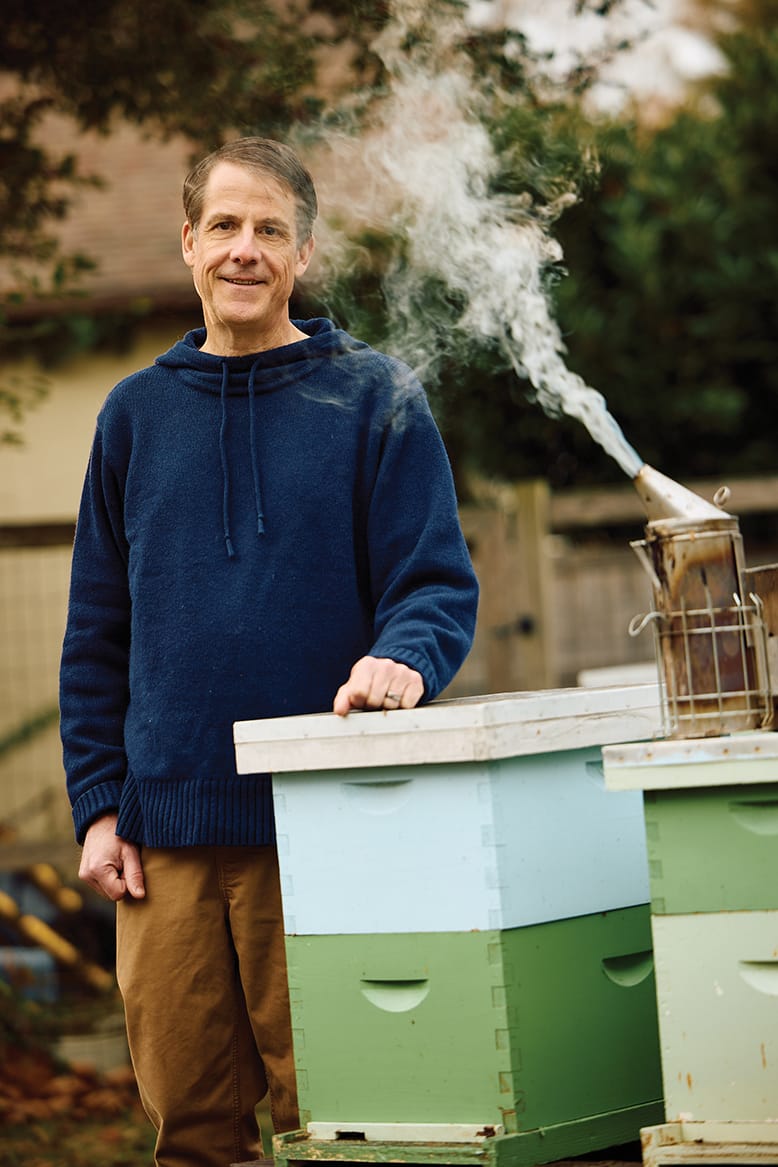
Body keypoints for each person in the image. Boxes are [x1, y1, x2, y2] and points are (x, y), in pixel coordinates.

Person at [59, 136, 479, 1167]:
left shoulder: (374, 396)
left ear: (304, 254)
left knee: (338, 1114)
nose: (247, 250)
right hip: (166, 840)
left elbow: (433, 584)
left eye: (271, 231)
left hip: (326, 820)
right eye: (227, 227)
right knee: (194, 1128)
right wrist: (100, 804)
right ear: (190, 242)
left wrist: (405, 661)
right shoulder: (132, 417)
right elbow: (96, 633)